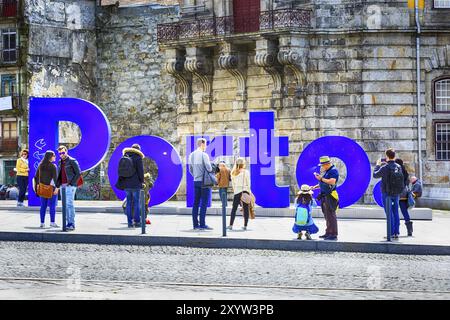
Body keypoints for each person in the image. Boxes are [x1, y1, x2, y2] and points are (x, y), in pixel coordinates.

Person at [373, 148, 404, 240]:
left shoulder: (385, 167)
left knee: (389, 213)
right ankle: (396, 232)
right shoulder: (398, 166)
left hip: (387, 193)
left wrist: (377, 165)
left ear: (387, 156)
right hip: (396, 193)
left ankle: (390, 233)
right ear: (394, 156)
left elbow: (375, 175)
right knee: (395, 212)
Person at [188, 138, 214, 230]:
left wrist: (196, 175)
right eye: (206, 144)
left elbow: (190, 169)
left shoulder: (191, 155)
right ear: (202, 144)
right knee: (204, 203)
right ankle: (202, 224)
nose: (206, 146)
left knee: (195, 203)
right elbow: (209, 168)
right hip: (204, 182)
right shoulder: (204, 155)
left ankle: (195, 225)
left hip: (196, 181)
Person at [313, 156, 339, 241]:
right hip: (325, 195)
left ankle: (333, 234)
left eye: (322, 165)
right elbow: (323, 182)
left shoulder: (333, 171)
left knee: (331, 215)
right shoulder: (327, 171)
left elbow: (332, 181)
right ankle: (328, 232)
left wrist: (320, 178)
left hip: (330, 196)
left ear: (327, 164)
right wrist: (315, 187)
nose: (321, 167)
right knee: (327, 215)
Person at [56, 146, 81, 231]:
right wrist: (57, 186)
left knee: (69, 204)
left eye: (63, 152)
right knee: (64, 205)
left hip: (70, 186)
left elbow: (78, 173)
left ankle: (71, 223)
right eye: (60, 153)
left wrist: (71, 184)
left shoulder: (72, 161)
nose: (61, 155)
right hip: (62, 186)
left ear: (66, 152)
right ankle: (67, 223)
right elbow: (58, 175)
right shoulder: (59, 162)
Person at [119, 144, 145, 228]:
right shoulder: (138, 157)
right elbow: (141, 172)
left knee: (129, 203)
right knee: (137, 203)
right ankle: (137, 222)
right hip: (136, 184)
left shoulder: (125, 156)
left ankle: (129, 222)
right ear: (138, 150)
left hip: (126, 184)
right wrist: (142, 181)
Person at [34, 151, 59, 228]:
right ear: (50, 157)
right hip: (51, 189)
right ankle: (52, 222)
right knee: (52, 206)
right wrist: (57, 188)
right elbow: (56, 179)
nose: (55, 157)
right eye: (54, 155)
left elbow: (36, 177)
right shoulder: (53, 166)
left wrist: (38, 186)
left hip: (42, 188)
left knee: (43, 206)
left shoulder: (40, 165)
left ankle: (42, 223)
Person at [227, 158, 251, 231]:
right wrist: (249, 192)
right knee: (246, 209)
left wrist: (236, 191)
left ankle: (231, 225)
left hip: (237, 192)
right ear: (243, 164)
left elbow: (233, 185)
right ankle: (245, 225)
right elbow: (248, 183)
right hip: (245, 191)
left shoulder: (233, 172)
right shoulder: (246, 172)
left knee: (234, 209)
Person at [395, 159, 413, 237]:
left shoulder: (397, 170)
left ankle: (395, 230)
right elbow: (407, 182)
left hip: (397, 193)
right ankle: (409, 230)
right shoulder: (405, 171)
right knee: (404, 211)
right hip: (404, 193)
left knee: (394, 212)